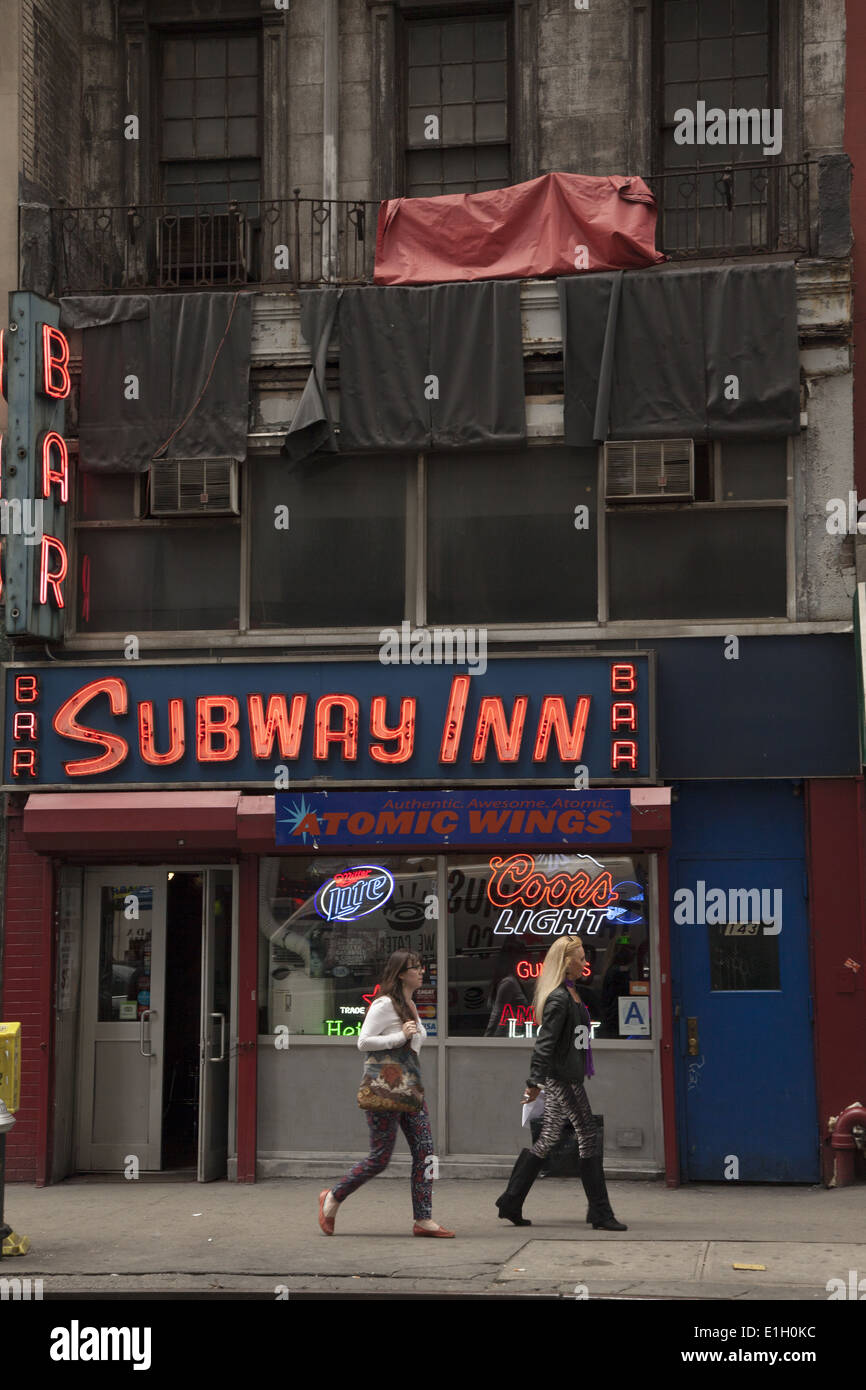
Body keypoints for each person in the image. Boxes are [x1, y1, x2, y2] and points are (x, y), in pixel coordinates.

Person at [318, 950, 454, 1238]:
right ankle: (333, 1196)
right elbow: (363, 1042)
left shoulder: (410, 1003)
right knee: (380, 1157)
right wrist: (400, 1036)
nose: (421, 972)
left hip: (410, 1089)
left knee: (425, 1151)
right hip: (385, 1088)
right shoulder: (384, 1004)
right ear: (401, 973)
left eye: (420, 967)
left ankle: (424, 1219)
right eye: (415, 968)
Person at [495, 935, 627, 1232]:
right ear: (566, 963)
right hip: (561, 1078)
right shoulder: (559, 998)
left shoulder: (572, 993)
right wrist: (534, 1083)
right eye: (580, 958)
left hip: (567, 1074)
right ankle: (601, 1213)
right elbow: (545, 1043)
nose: (584, 962)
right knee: (588, 1135)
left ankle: (510, 1201)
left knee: (549, 1137)